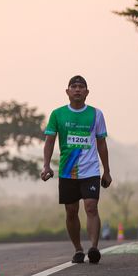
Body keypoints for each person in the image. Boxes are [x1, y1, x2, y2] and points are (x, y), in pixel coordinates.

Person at [41, 75, 112, 264]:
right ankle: (78, 249)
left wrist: (106, 171)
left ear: (87, 92)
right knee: (71, 211)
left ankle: (94, 248)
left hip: (91, 170)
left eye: (81, 87)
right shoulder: (58, 114)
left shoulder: (96, 114)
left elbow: (101, 143)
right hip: (67, 171)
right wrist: (46, 165)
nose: (78, 89)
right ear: (67, 91)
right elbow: (49, 141)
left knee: (91, 207)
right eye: (74, 86)